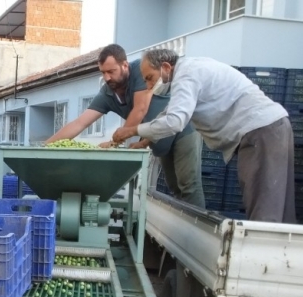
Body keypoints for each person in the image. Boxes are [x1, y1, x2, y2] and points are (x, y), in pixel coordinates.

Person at [113, 49, 295, 222]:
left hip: (260, 132)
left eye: (150, 78)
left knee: (264, 210)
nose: (149, 86)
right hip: (272, 128)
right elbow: (168, 114)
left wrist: (132, 130)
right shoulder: (191, 69)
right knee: (280, 209)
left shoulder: (186, 75)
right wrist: (144, 142)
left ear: (166, 67)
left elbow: (175, 121)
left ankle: (259, 254)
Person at [47, 44, 206, 208]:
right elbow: (80, 123)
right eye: (103, 72)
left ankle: (200, 232)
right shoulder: (107, 93)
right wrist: (46, 147)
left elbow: (140, 109)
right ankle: (181, 230)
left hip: (183, 129)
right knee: (174, 187)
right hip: (159, 136)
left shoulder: (140, 70)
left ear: (125, 65)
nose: (107, 77)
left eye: (111, 71)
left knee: (189, 185)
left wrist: (114, 142)